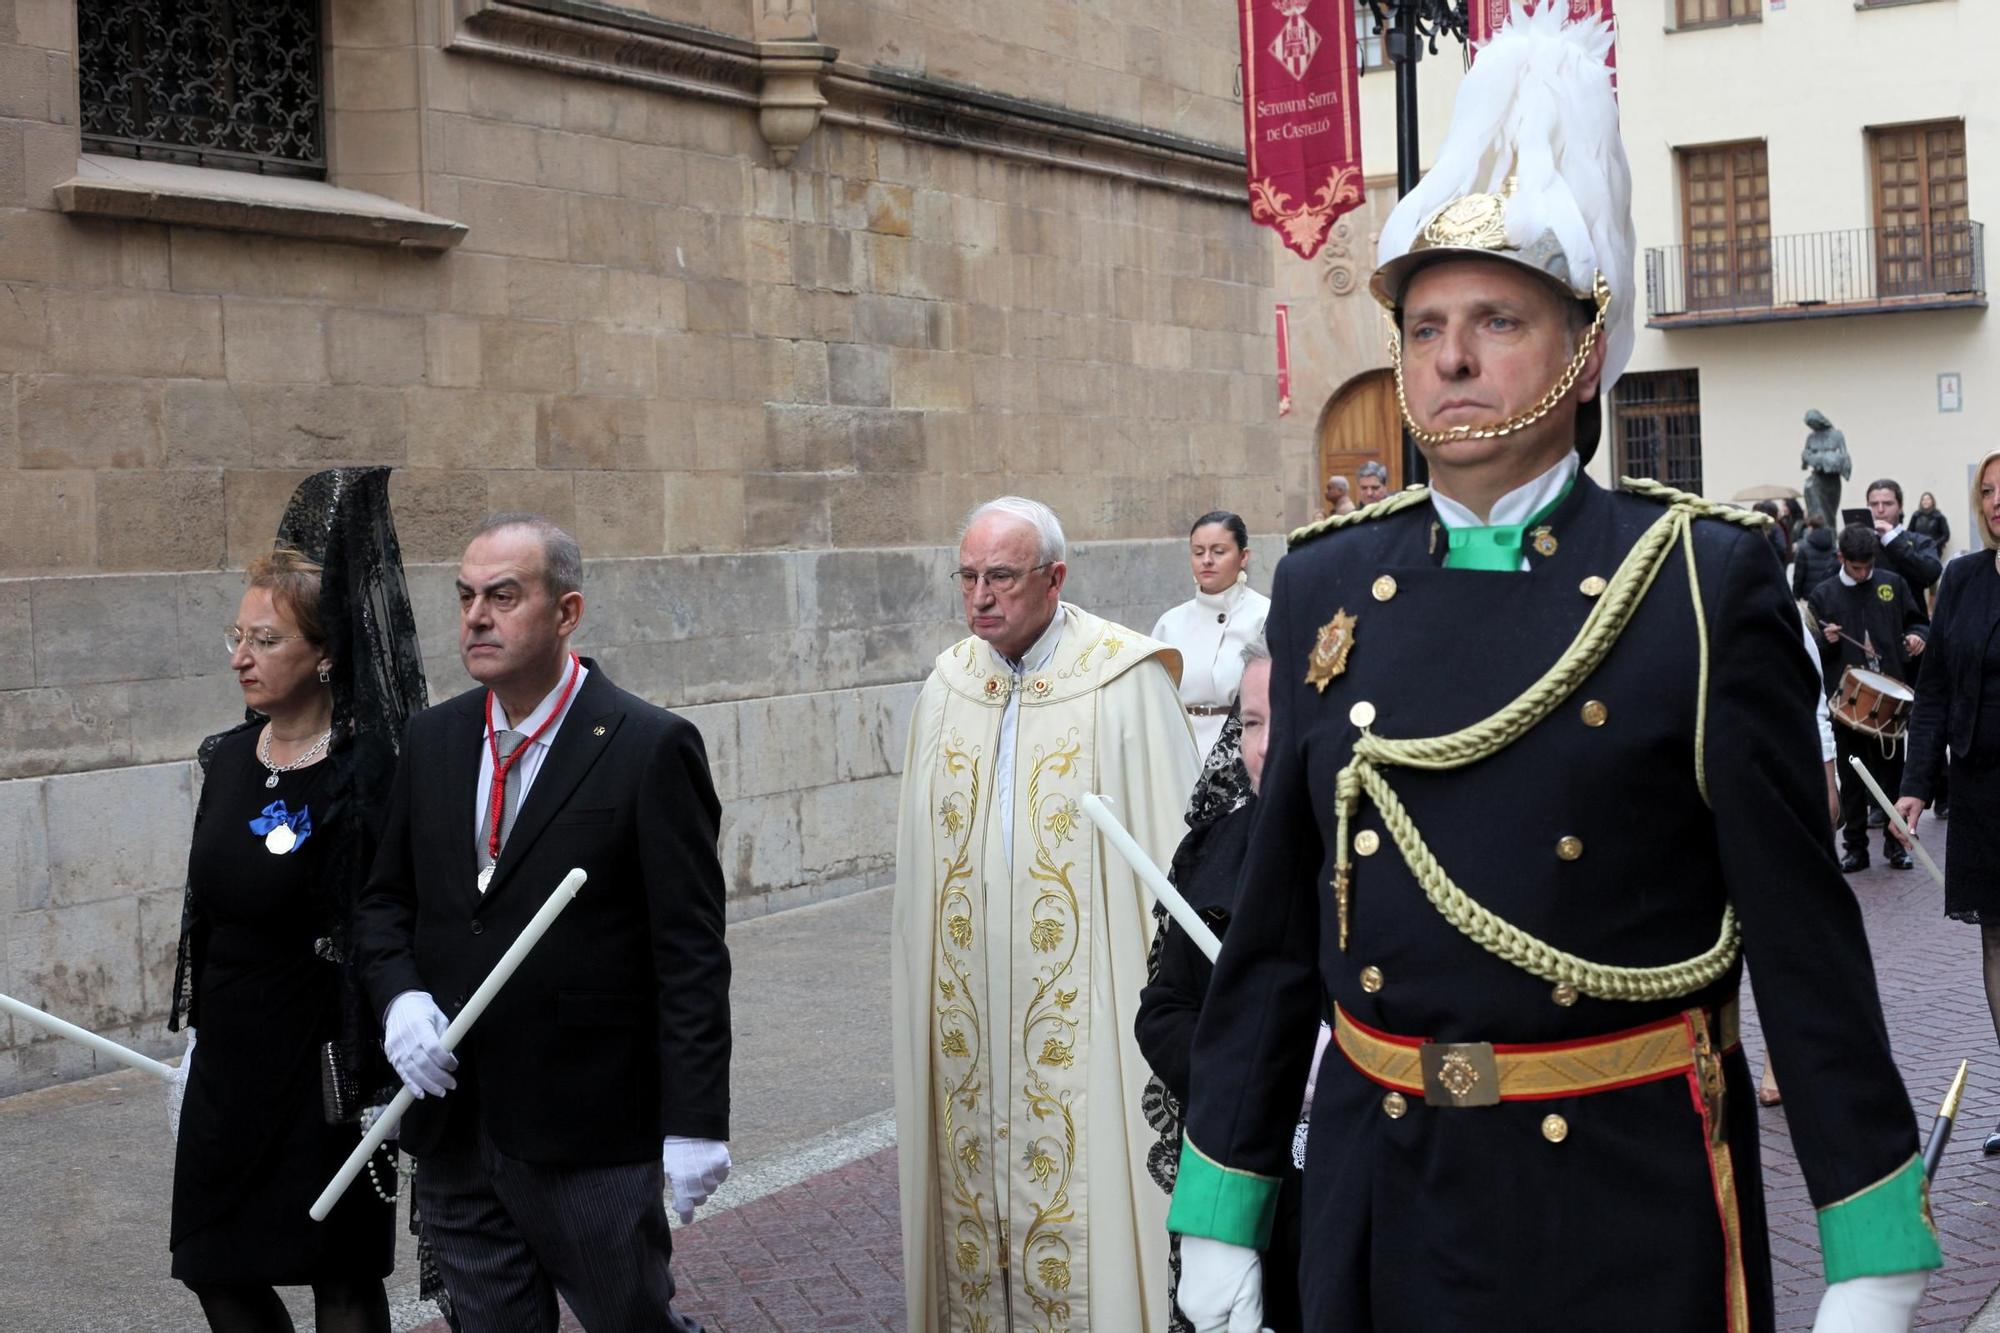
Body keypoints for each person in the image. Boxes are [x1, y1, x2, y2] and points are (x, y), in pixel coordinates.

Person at [1165, 10, 1940, 1332]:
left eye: (1496, 320)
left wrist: (1871, 1236)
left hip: (1617, 1197)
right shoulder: (1325, 583)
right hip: (1382, 1178)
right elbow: (1279, 937)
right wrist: (1223, 1200)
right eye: (1425, 325)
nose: (1451, 356)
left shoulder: (1698, 577)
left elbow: (1804, 935)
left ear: (1583, 352)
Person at [352, 514, 731, 1333]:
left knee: (633, 1322)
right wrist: (399, 1000)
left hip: (588, 1133)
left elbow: (690, 953)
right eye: (465, 597)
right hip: (456, 1129)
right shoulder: (434, 739)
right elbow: (385, 902)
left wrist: (696, 1121)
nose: (477, 617)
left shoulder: (647, 745)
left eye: (503, 596)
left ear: (567, 613)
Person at [891, 496, 1201, 1332]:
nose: (980, 596)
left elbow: (1176, 876)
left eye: (1001, 576)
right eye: (968, 576)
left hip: (1085, 1016)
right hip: (970, 1018)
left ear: (1055, 578)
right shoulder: (950, 685)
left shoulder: (1125, 681)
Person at [166, 468, 427, 1333]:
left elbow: (392, 914)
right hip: (228, 1064)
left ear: (324, 652)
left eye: (265, 640)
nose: (240, 656)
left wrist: (389, 1055)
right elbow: (208, 911)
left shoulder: (369, 771)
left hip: (325, 1067)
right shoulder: (228, 759)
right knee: (213, 1265)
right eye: (235, 636)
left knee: (340, 1276)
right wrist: (194, 1039)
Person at [1135, 642, 1312, 1333]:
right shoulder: (1213, 848)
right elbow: (1163, 1009)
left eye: (1286, 719)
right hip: (1232, 1160)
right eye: (1254, 722)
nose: (1264, 746)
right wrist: (1243, 1068)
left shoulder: (1378, 855)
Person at [1897, 451, 2000, 1151]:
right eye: (1988, 491)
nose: (1997, 501)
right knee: (1998, 934)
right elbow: (1932, 691)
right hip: (1984, 786)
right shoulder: (1962, 580)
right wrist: (1913, 785)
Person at [1807, 524, 1929, 872]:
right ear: (1842, 558)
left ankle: (1896, 845)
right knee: (1853, 779)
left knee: (1893, 776)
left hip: (1890, 701)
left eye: (1868, 567)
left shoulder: (1892, 584)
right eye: (1856, 568)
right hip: (1847, 706)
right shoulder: (1824, 595)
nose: (1863, 575)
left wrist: (1917, 637)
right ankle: (1856, 848)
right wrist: (1825, 641)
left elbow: (1918, 623)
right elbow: (1810, 650)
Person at [1151, 511, 1272, 758]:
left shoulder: (1266, 615)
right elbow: (1154, 700)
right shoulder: (1170, 623)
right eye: (1198, 552)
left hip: (1245, 753)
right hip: (1181, 750)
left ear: (1243, 556)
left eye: (1218, 552)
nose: (1207, 560)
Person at [1866, 478, 1943, 601]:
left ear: (1900, 507)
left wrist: (1891, 539)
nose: (1880, 510)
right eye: (1874, 504)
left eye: (1888, 503)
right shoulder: (1863, 542)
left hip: (1910, 617)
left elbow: (1931, 574)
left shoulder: (1921, 541)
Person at [1802, 409, 1852, 530]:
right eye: (1810, 424)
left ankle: (1830, 537)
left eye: (1815, 423)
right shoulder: (1811, 437)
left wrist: (1832, 460)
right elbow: (1806, 454)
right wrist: (1811, 457)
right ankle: (1818, 532)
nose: (1813, 426)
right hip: (1817, 478)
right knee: (1816, 509)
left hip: (1832, 480)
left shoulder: (1836, 435)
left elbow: (1844, 455)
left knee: (1830, 512)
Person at [1791, 511, 1840, 601]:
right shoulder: (1833, 546)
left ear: (1810, 528)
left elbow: (1798, 576)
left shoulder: (1803, 548)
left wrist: (1796, 596)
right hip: (1829, 594)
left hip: (1810, 596)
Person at [1910, 490, 1951, 557]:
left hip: (1933, 550)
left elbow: (1946, 535)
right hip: (1918, 549)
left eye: (1928, 499)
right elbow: (1909, 532)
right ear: (1921, 502)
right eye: (1923, 500)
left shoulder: (1939, 516)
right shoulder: (1916, 515)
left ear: (1932, 501)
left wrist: (1935, 544)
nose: (1926, 501)